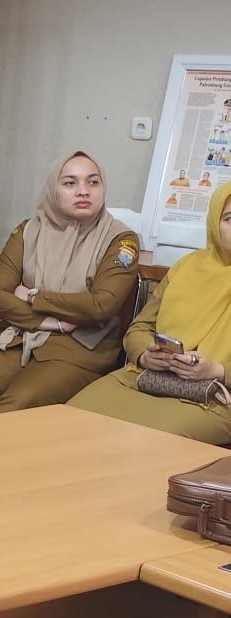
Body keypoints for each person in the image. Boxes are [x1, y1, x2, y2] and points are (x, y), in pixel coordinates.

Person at [0, 152, 138, 417]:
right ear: (53, 189)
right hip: (16, 336)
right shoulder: (28, 230)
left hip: (79, 347)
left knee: (15, 406)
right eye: (70, 183)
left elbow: (100, 306)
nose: (83, 191)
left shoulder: (120, 239)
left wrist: (33, 297)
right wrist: (50, 321)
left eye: (93, 182)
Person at [70, 182, 231, 443]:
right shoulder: (187, 268)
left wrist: (218, 370)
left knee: (139, 444)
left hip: (216, 398)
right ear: (214, 224)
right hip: (147, 378)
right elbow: (140, 328)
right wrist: (146, 355)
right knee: (69, 419)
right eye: (230, 218)